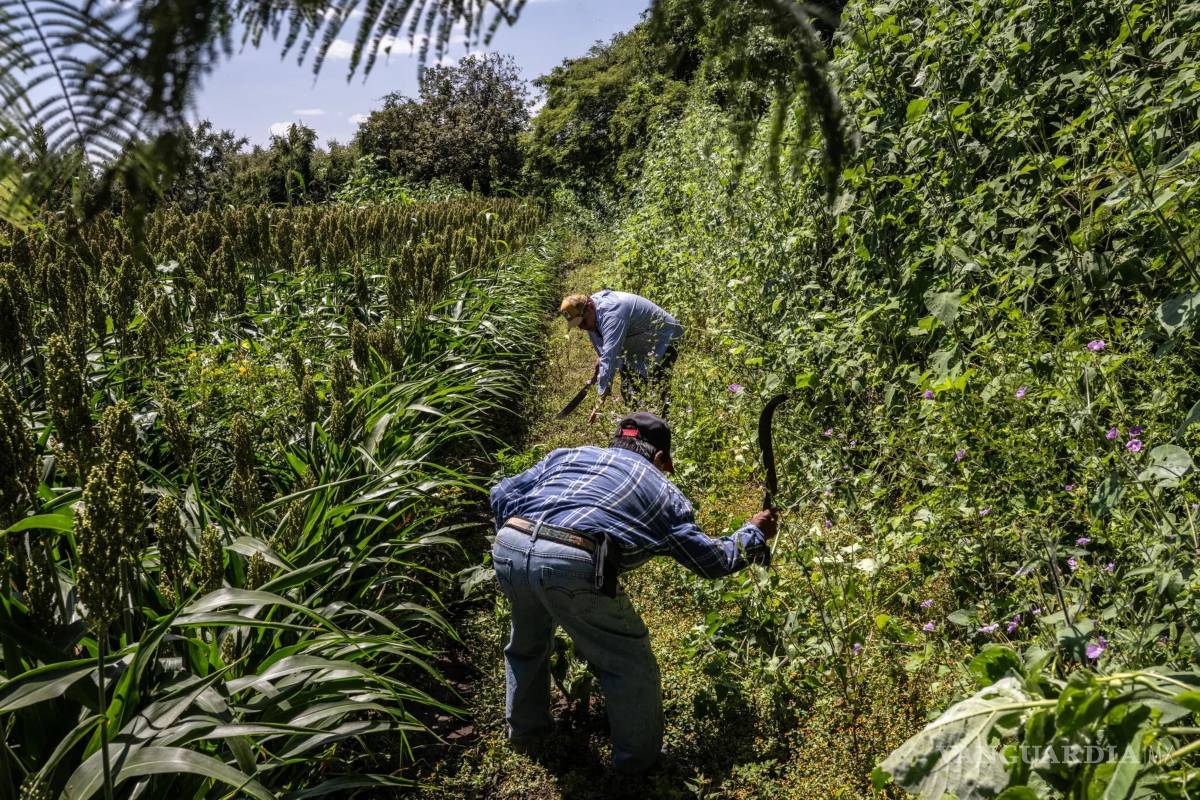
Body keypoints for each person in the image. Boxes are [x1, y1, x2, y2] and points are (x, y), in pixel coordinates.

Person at [489, 412, 778, 775]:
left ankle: (527, 738)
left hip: (510, 543)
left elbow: (500, 492)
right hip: (573, 557)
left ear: (617, 442)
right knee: (628, 664)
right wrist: (752, 533)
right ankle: (637, 769)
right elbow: (712, 561)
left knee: (527, 644)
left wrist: (520, 546)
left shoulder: (568, 455)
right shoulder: (661, 489)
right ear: (660, 459)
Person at [559, 290, 684, 422]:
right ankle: (640, 426)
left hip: (663, 339)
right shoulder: (592, 314)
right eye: (578, 325)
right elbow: (604, 348)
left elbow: (611, 354)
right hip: (639, 343)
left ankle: (668, 424)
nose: (581, 328)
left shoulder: (613, 313)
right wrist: (601, 361)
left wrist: (601, 398)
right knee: (630, 392)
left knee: (657, 387)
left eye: (582, 323)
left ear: (589, 307)